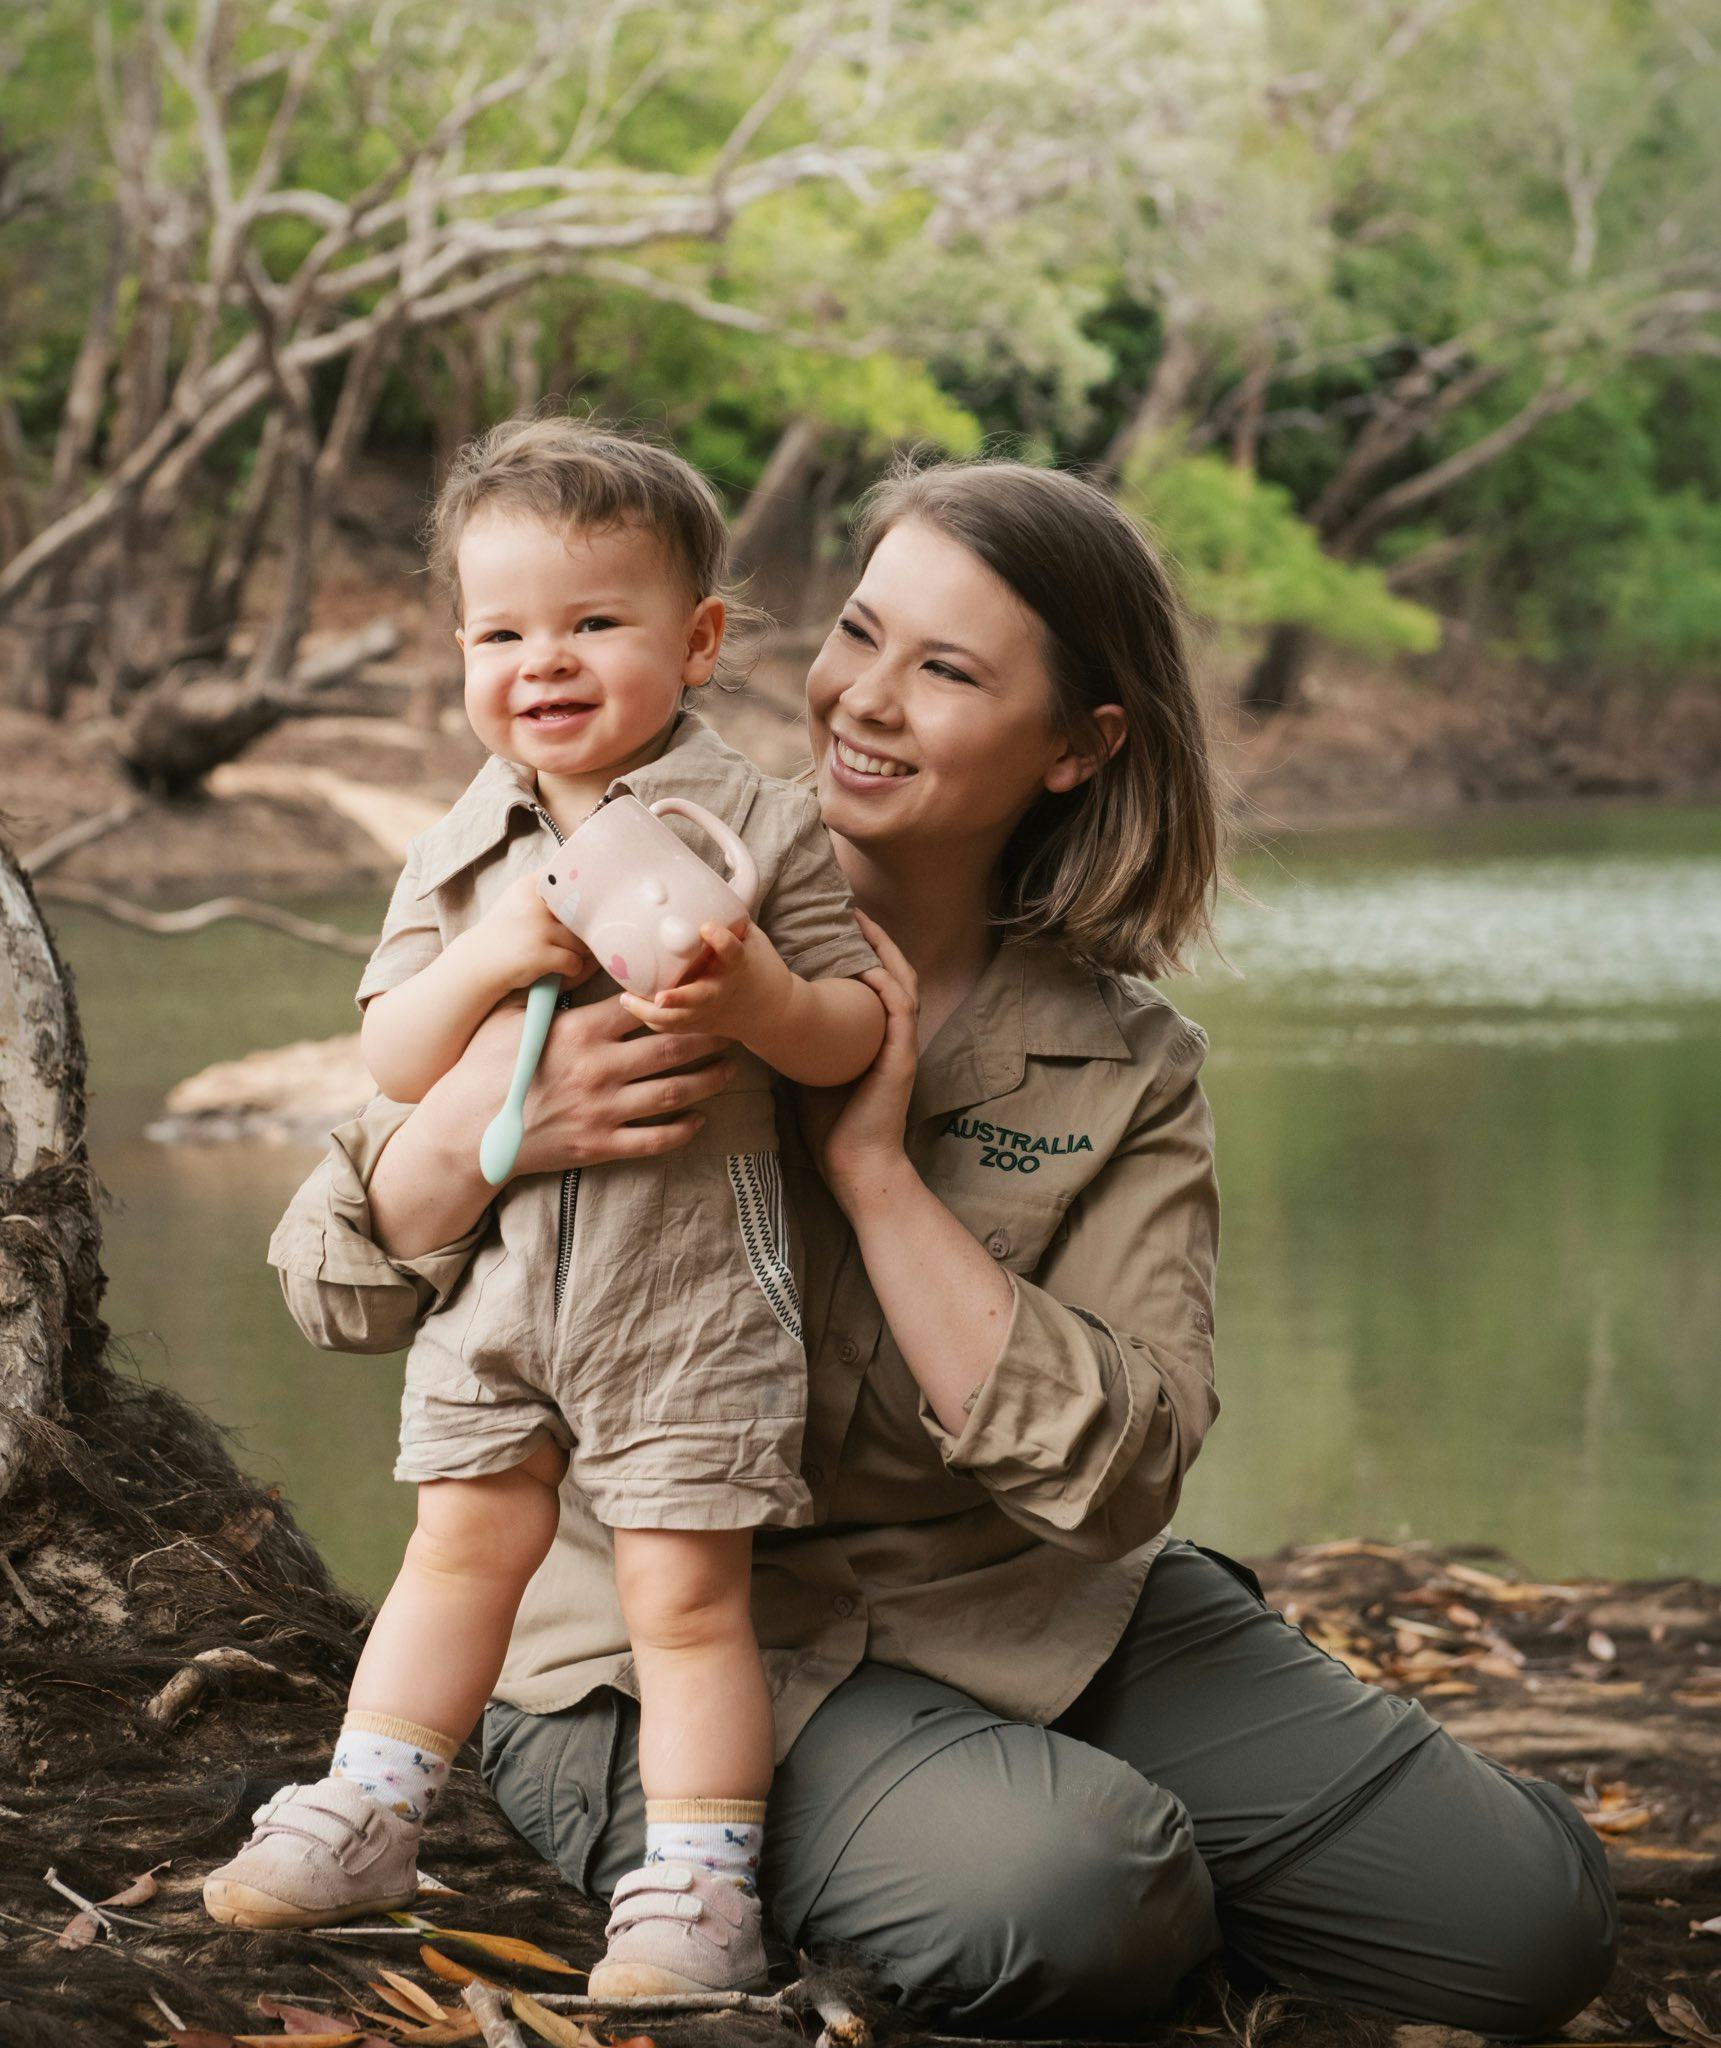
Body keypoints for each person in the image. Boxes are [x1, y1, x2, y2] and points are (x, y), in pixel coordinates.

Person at [267, 456, 1618, 2037]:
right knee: (1075, 1891)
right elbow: (330, 1282)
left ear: (1077, 746)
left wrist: (873, 1173)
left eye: (947, 670)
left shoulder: (1124, 1062)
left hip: (1023, 1600)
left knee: (1523, 1929)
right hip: (665, 1635)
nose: (864, 702)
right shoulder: (668, 892)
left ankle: (1033, 1822)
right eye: (858, 633)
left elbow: (1120, 1476)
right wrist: (503, 1118)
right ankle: (906, 1844)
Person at [203, 419, 887, 1998]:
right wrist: (499, 950)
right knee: (457, 1546)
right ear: (460, 651)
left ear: (697, 641)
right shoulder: (460, 848)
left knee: (681, 1588)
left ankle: (696, 1884)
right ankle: (375, 1800)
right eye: (503, 631)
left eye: (594, 622)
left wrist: (757, 991)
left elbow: (849, 1035)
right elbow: (390, 1048)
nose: (545, 663)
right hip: (498, 1288)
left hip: (690, 1289)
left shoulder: (763, 823)